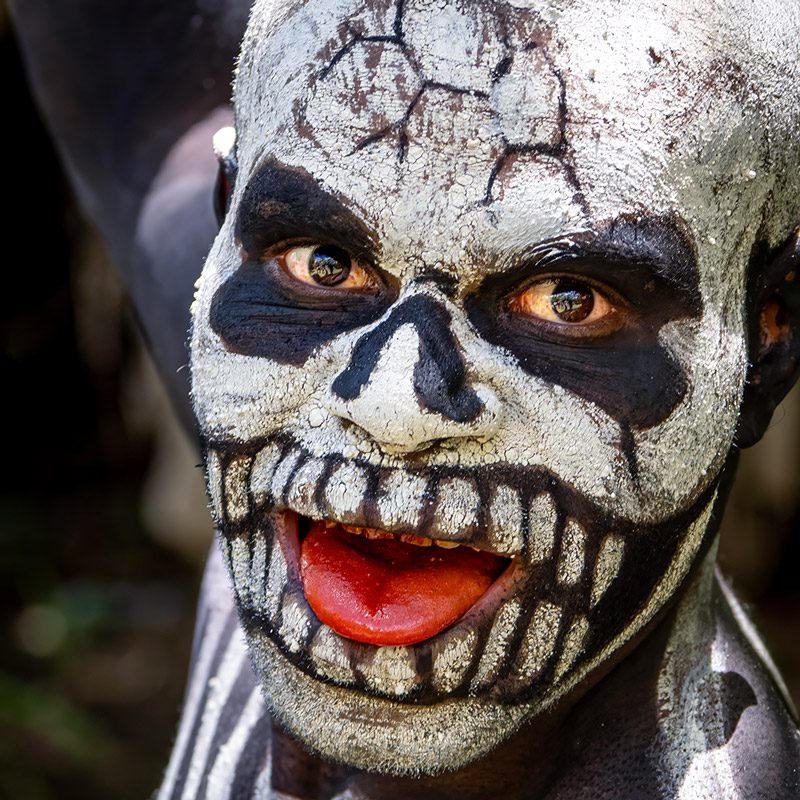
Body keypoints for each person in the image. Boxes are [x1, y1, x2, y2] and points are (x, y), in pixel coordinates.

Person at [11, 1, 800, 797]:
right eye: (326, 263)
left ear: (767, 340)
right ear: (226, 227)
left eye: (568, 300)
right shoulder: (271, 446)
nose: (392, 411)